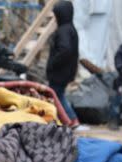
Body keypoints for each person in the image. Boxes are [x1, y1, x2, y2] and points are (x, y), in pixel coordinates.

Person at [46, 0, 80, 128]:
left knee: (55, 96)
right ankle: (69, 119)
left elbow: (65, 50)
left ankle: (71, 119)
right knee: (59, 95)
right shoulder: (70, 29)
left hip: (59, 72)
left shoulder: (64, 30)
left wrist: (52, 63)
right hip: (66, 71)